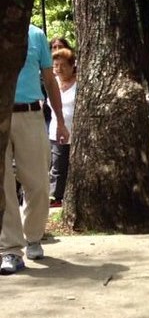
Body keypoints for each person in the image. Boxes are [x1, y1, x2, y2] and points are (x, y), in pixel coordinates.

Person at [1, 24, 69, 275]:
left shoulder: (35, 34)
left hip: (30, 113)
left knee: (39, 183)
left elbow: (50, 81)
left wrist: (60, 121)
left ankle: (33, 236)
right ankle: (10, 249)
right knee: (4, 184)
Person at [48, 47, 77, 207]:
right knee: (58, 166)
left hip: (76, 132)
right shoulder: (51, 84)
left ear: (72, 65)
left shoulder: (79, 84)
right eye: (56, 65)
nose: (59, 69)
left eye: (63, 65)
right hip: (56, 132)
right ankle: (56, 197)